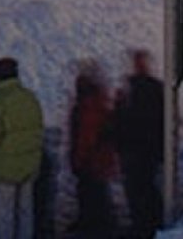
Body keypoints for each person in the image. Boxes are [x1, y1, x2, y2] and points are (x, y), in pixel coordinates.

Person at [0, 56, 44, 239]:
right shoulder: (30, 98)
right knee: (25, 213)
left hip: (5, 168)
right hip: (29, 165)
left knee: (3, 215)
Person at [111, 49, 164, 239]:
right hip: (144, 149)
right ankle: (150, 224)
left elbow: (123, 119)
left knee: (139, 188)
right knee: (146, 187)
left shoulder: (132, 90)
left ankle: (143, 225)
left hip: (136, 149)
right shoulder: (154, 88)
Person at [67, 63, 116, 237]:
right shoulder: (98, 102)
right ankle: (96, 222)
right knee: (95, 191)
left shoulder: (87, 106)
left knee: (92, 192)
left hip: (90, 159)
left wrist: (80, 157)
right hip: (96, 158)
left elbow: (86, 135)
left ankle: (95, 224)